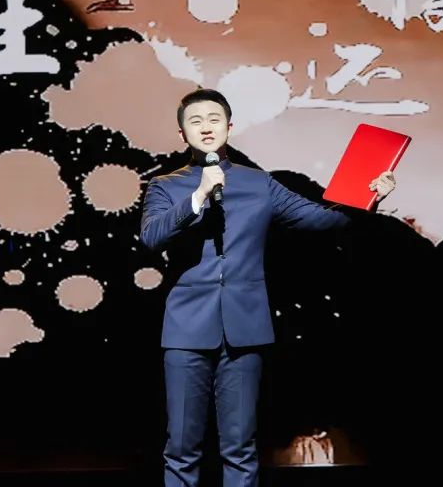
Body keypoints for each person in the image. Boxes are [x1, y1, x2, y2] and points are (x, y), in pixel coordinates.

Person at [139, 89, 396, 486]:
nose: (206, 127)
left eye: (214, 119)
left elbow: (321, 220)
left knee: (240, 446)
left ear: (229, 127)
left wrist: (370, 196)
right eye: (195, 121)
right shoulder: (165, 186)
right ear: (182, 133)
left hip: (245, 329)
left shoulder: (259, 183)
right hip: (186, 330)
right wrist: (199, 195)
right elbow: (152, 237)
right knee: (182, 448)